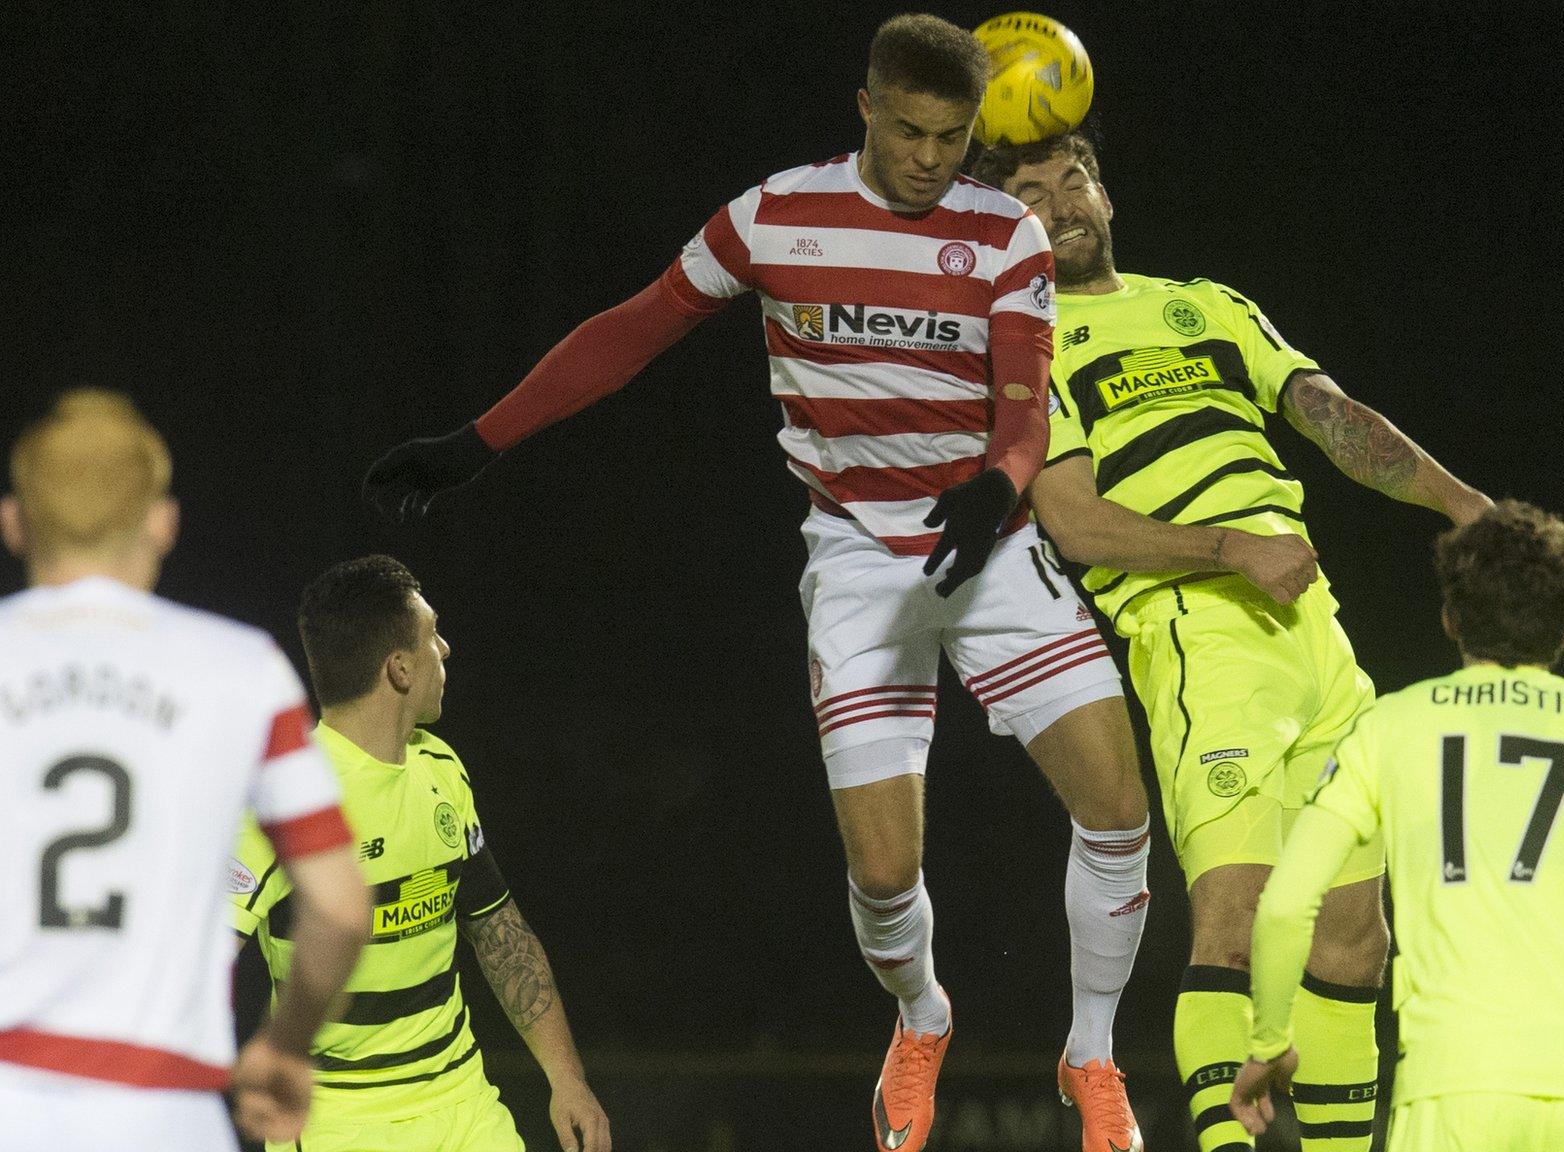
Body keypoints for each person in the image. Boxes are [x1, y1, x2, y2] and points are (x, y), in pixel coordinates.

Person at [360, 17, 1151, 1152]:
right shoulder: (773, 216)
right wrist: (478, 441)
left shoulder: (1003, 235)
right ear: (867, 108)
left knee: (1117, 811)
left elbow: (1023, 397)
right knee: (883, 874)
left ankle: (1091, 1054)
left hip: (984, 549)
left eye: (952, 136)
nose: (931, 158)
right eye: (912, 131)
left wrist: (1001, 483)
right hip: (856, 561)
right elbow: (632, 332)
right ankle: (921, 1016)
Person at [973, 133, 1491, 1152]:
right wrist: (1224, 550)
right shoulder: (1019, 349)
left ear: (1103, 190)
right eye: (1027, 196)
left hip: (1313, 632)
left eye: (1069, 180)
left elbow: (1330, 416)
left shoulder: (1207, 305)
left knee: (1353, 937)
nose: (1058, 204)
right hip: (1197, 633)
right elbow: (1074, 524)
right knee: (1238, 920)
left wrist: (1458, 501)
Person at [1231, 501, 1564, 1152]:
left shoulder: (1386, 729)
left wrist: (1269, 1040)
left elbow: (1287, 904)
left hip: (1452, 1089)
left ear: (1450, 618)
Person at [0, 389, 369, 1150]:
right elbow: (338, 907)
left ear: (13, 522)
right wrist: (284, 1045)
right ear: (163, 523)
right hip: (166, 1113)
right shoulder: (240, 670)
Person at [232, 555, 610, 1151]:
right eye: (432, 634)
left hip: (461, 1097)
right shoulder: (283, 799)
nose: (447, 648)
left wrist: (568, 1080)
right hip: (339, 1117)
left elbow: (498, 930)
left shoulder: (442, 769)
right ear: (401, 668)